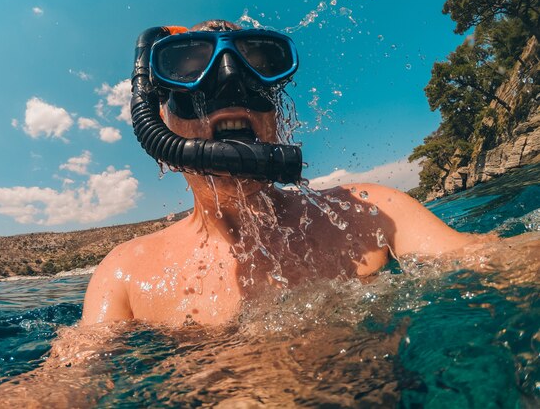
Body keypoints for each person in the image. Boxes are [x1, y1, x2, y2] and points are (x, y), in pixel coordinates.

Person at [81, 20, 491, 327]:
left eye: (254, 66)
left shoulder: (373, 213)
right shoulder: (126, 272)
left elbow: (493, 264)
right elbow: (65, 380)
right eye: (190, 65)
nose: (229, 83)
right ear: (160, 125)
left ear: (276, 118)